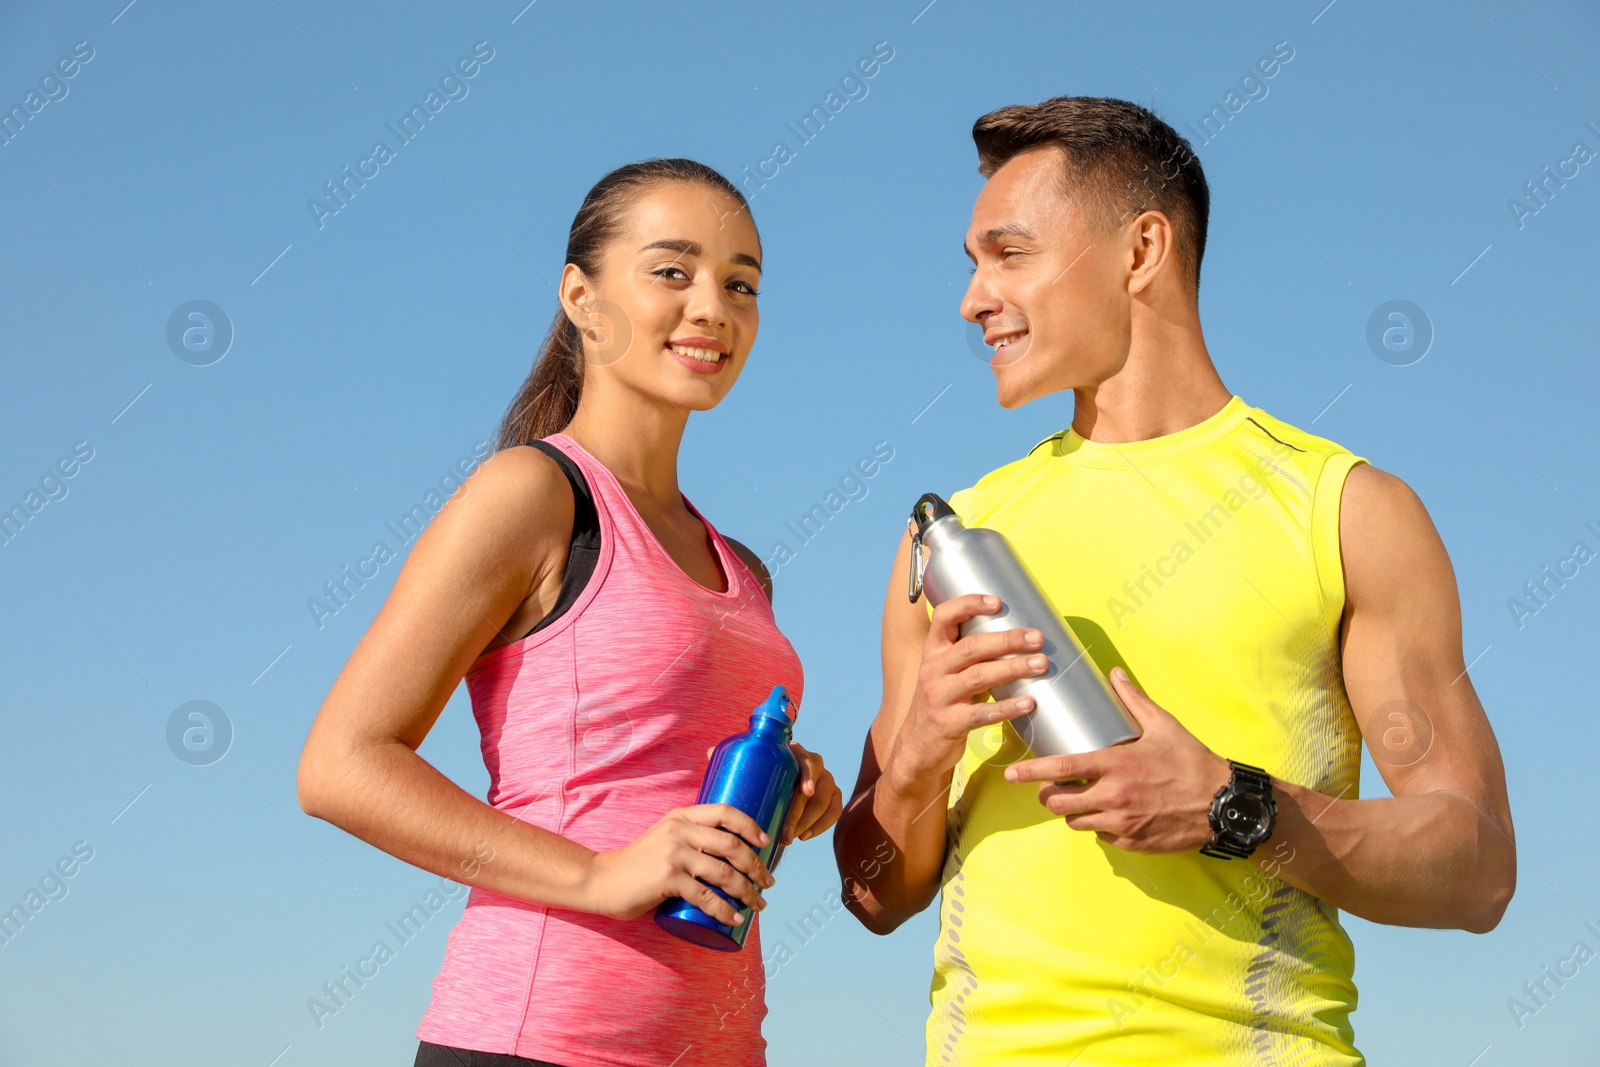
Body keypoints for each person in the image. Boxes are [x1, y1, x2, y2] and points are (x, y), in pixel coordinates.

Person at [831, 97, 1515, 1064]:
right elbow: (871, 894)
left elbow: (1477, 866)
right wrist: (910, 772)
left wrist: (1235, 807)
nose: (972, 297)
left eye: (1009, 254)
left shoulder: (1348, 513)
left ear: (1141, 250)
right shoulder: (954, 544)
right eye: (972, 263)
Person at [297, 157, 843, 1067]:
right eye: (672, 271)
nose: (712, 305)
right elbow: (340, 765)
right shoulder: (535, 495)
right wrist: (597, 873)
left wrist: (798, 790)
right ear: (582, 297)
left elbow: (655, 773)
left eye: (740, 283)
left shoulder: (744, 570)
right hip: (539, 1037)